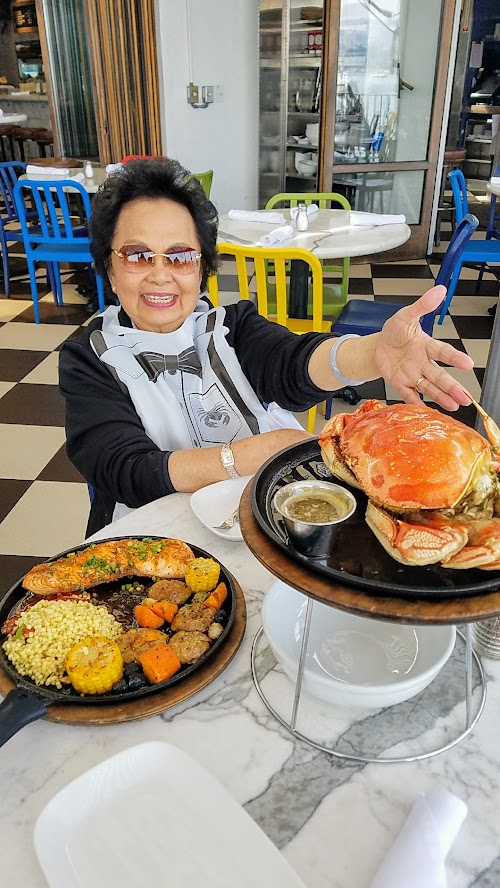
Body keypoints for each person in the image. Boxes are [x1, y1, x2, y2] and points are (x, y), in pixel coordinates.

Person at [59, 157, 474, 535]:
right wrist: (244, 456)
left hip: (266, 522)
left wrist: (373, 352)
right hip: (153, 541)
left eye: (180, 255)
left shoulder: (231, 326)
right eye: (137, 255)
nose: (160, 274)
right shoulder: (88, 357)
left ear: (201, 267)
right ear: (110, 269)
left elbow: (292, 365)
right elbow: (126, 469)